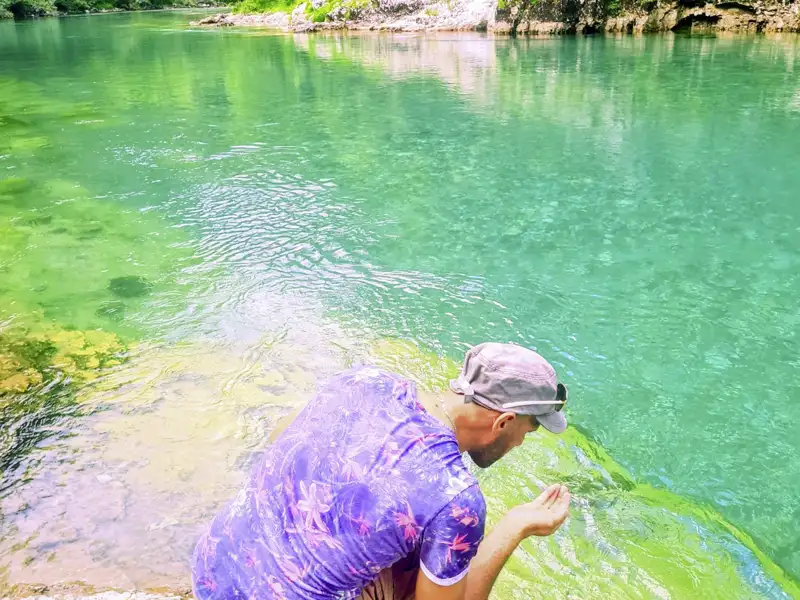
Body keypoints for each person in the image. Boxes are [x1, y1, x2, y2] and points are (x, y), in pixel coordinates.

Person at [192, 342, 571, 600]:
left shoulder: (365, 381)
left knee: (408, 542)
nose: (524, 441)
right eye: (531, 428)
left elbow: (282, 438)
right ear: (504, 421)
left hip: (211, 572)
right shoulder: (456, 498)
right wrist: (515, 527)